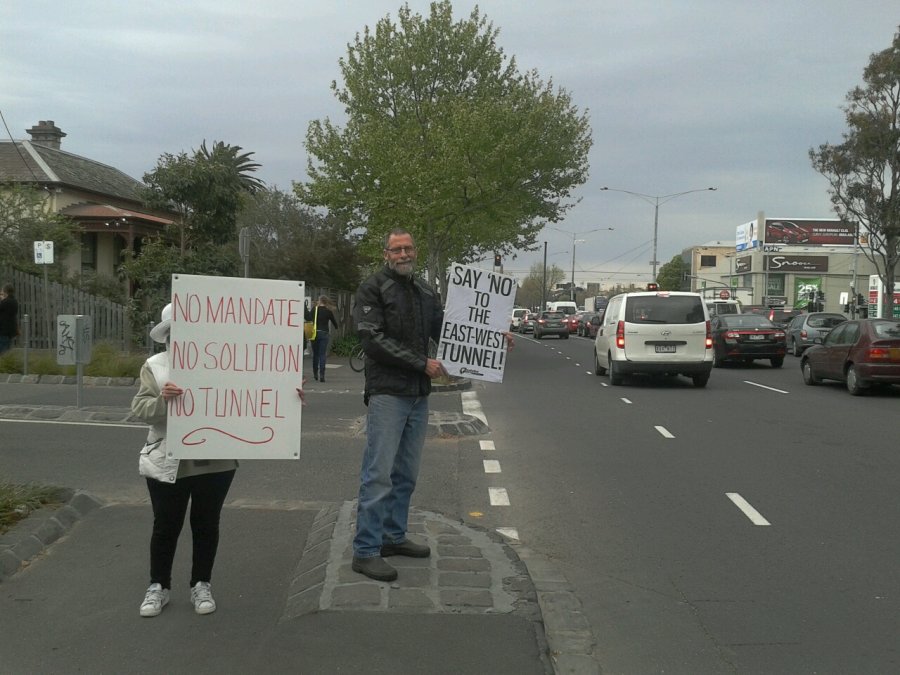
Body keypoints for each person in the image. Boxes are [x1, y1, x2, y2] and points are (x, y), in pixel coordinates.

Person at [131, 303, 306, 617]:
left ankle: (201, 584)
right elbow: (140, 409)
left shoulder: (228, 363)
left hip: (216, 462)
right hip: (168, 460)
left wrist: (287, 397)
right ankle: (158, 586)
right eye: (176, 332)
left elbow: (255, 398)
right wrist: (163, 401)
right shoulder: (156, 366)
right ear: (168, 335)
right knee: (166, 525)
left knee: (206, 524)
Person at [306, 295, 338, 382]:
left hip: (315, 334)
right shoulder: (328, 311)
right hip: (324, 333)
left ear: (319, 301)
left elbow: (308, 318)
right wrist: (336, 327)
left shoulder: (314, 309)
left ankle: (315, 374)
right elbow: (335, 323)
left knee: (315, 354)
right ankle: (322, 375)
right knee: (322, 354)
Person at [0, 283, 18, 354]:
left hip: (3, 331)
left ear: (5, 291)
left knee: (2, 353)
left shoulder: (5, 302)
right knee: (6, 352)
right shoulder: (14, 301)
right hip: (10, 331)